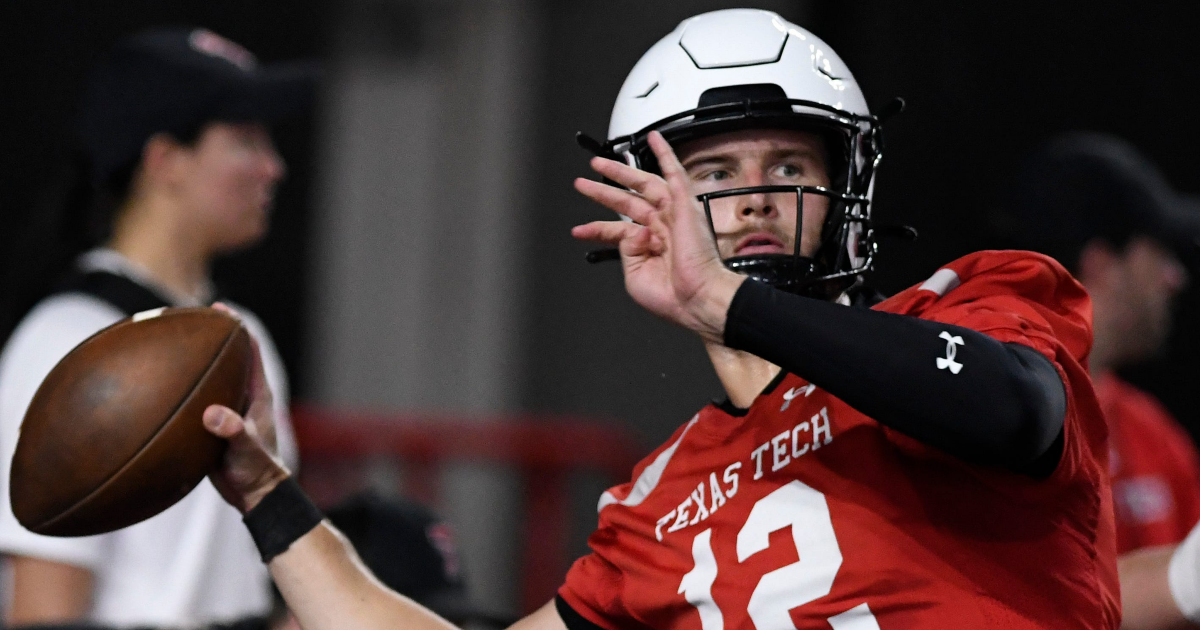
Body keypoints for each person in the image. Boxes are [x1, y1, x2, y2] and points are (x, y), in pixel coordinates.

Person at [198, 9, 1118, 630]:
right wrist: (266, 497)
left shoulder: (976, 301)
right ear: (642, 209)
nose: (754, 199)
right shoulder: (656, 501)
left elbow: (1011, 410)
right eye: (711, 178)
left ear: (848, 192)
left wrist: (728, 301)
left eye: (789, 168)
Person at [0, 27, 311, 627]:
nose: (274, 168)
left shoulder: (242, 333)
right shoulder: (67, 339)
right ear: (165, 160)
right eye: (245, 140)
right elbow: (42, 612)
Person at [997, 134, 1200, 630]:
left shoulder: (1151, 429)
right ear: (1101, 265)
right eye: (1158, 253)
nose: (1176, 279)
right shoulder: (991, 419)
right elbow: (1012, 607)